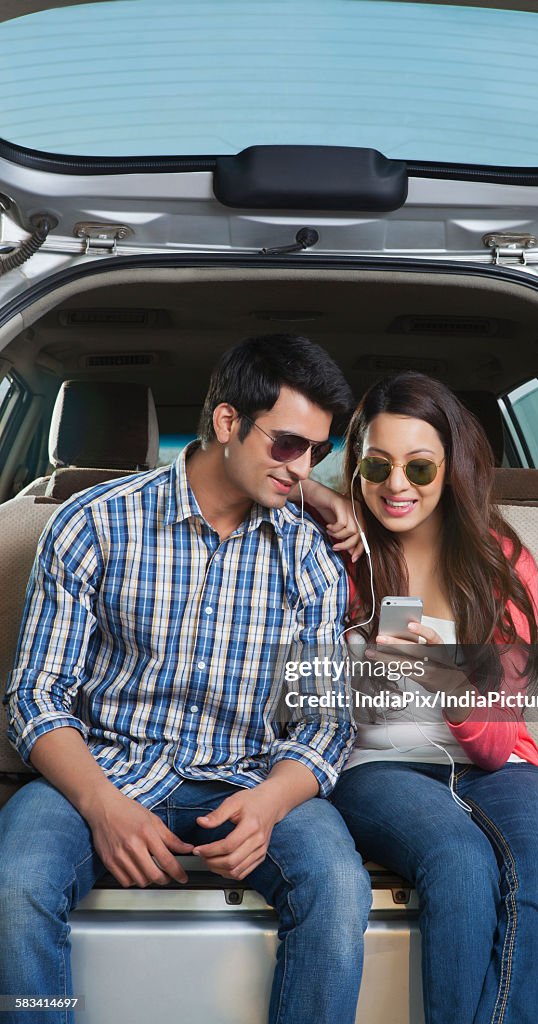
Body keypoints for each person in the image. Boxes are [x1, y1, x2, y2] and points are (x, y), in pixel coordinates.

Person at [0, 334, 372, 1024]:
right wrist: (102, 806)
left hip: (250, 776)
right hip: (105, 766)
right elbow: (35, 696)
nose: (305, 468)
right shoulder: (93, 524)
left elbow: (324, 722)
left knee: (338, 886)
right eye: (290, 444)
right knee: (12, 884)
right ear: (228, 422)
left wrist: (267, 805)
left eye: (320, 452)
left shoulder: (310, 559)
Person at [320, 371, 538, 1024]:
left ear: (452, 468)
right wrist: (322, 498)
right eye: (377, 466)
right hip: (374, 768)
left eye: (419, 467)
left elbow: (497, 745)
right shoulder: (333, 552)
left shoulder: (500, 563)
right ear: (355, 469)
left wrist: (439, 673)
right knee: (459, 862)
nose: (397, 486)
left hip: (501, 768)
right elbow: (257, 477)